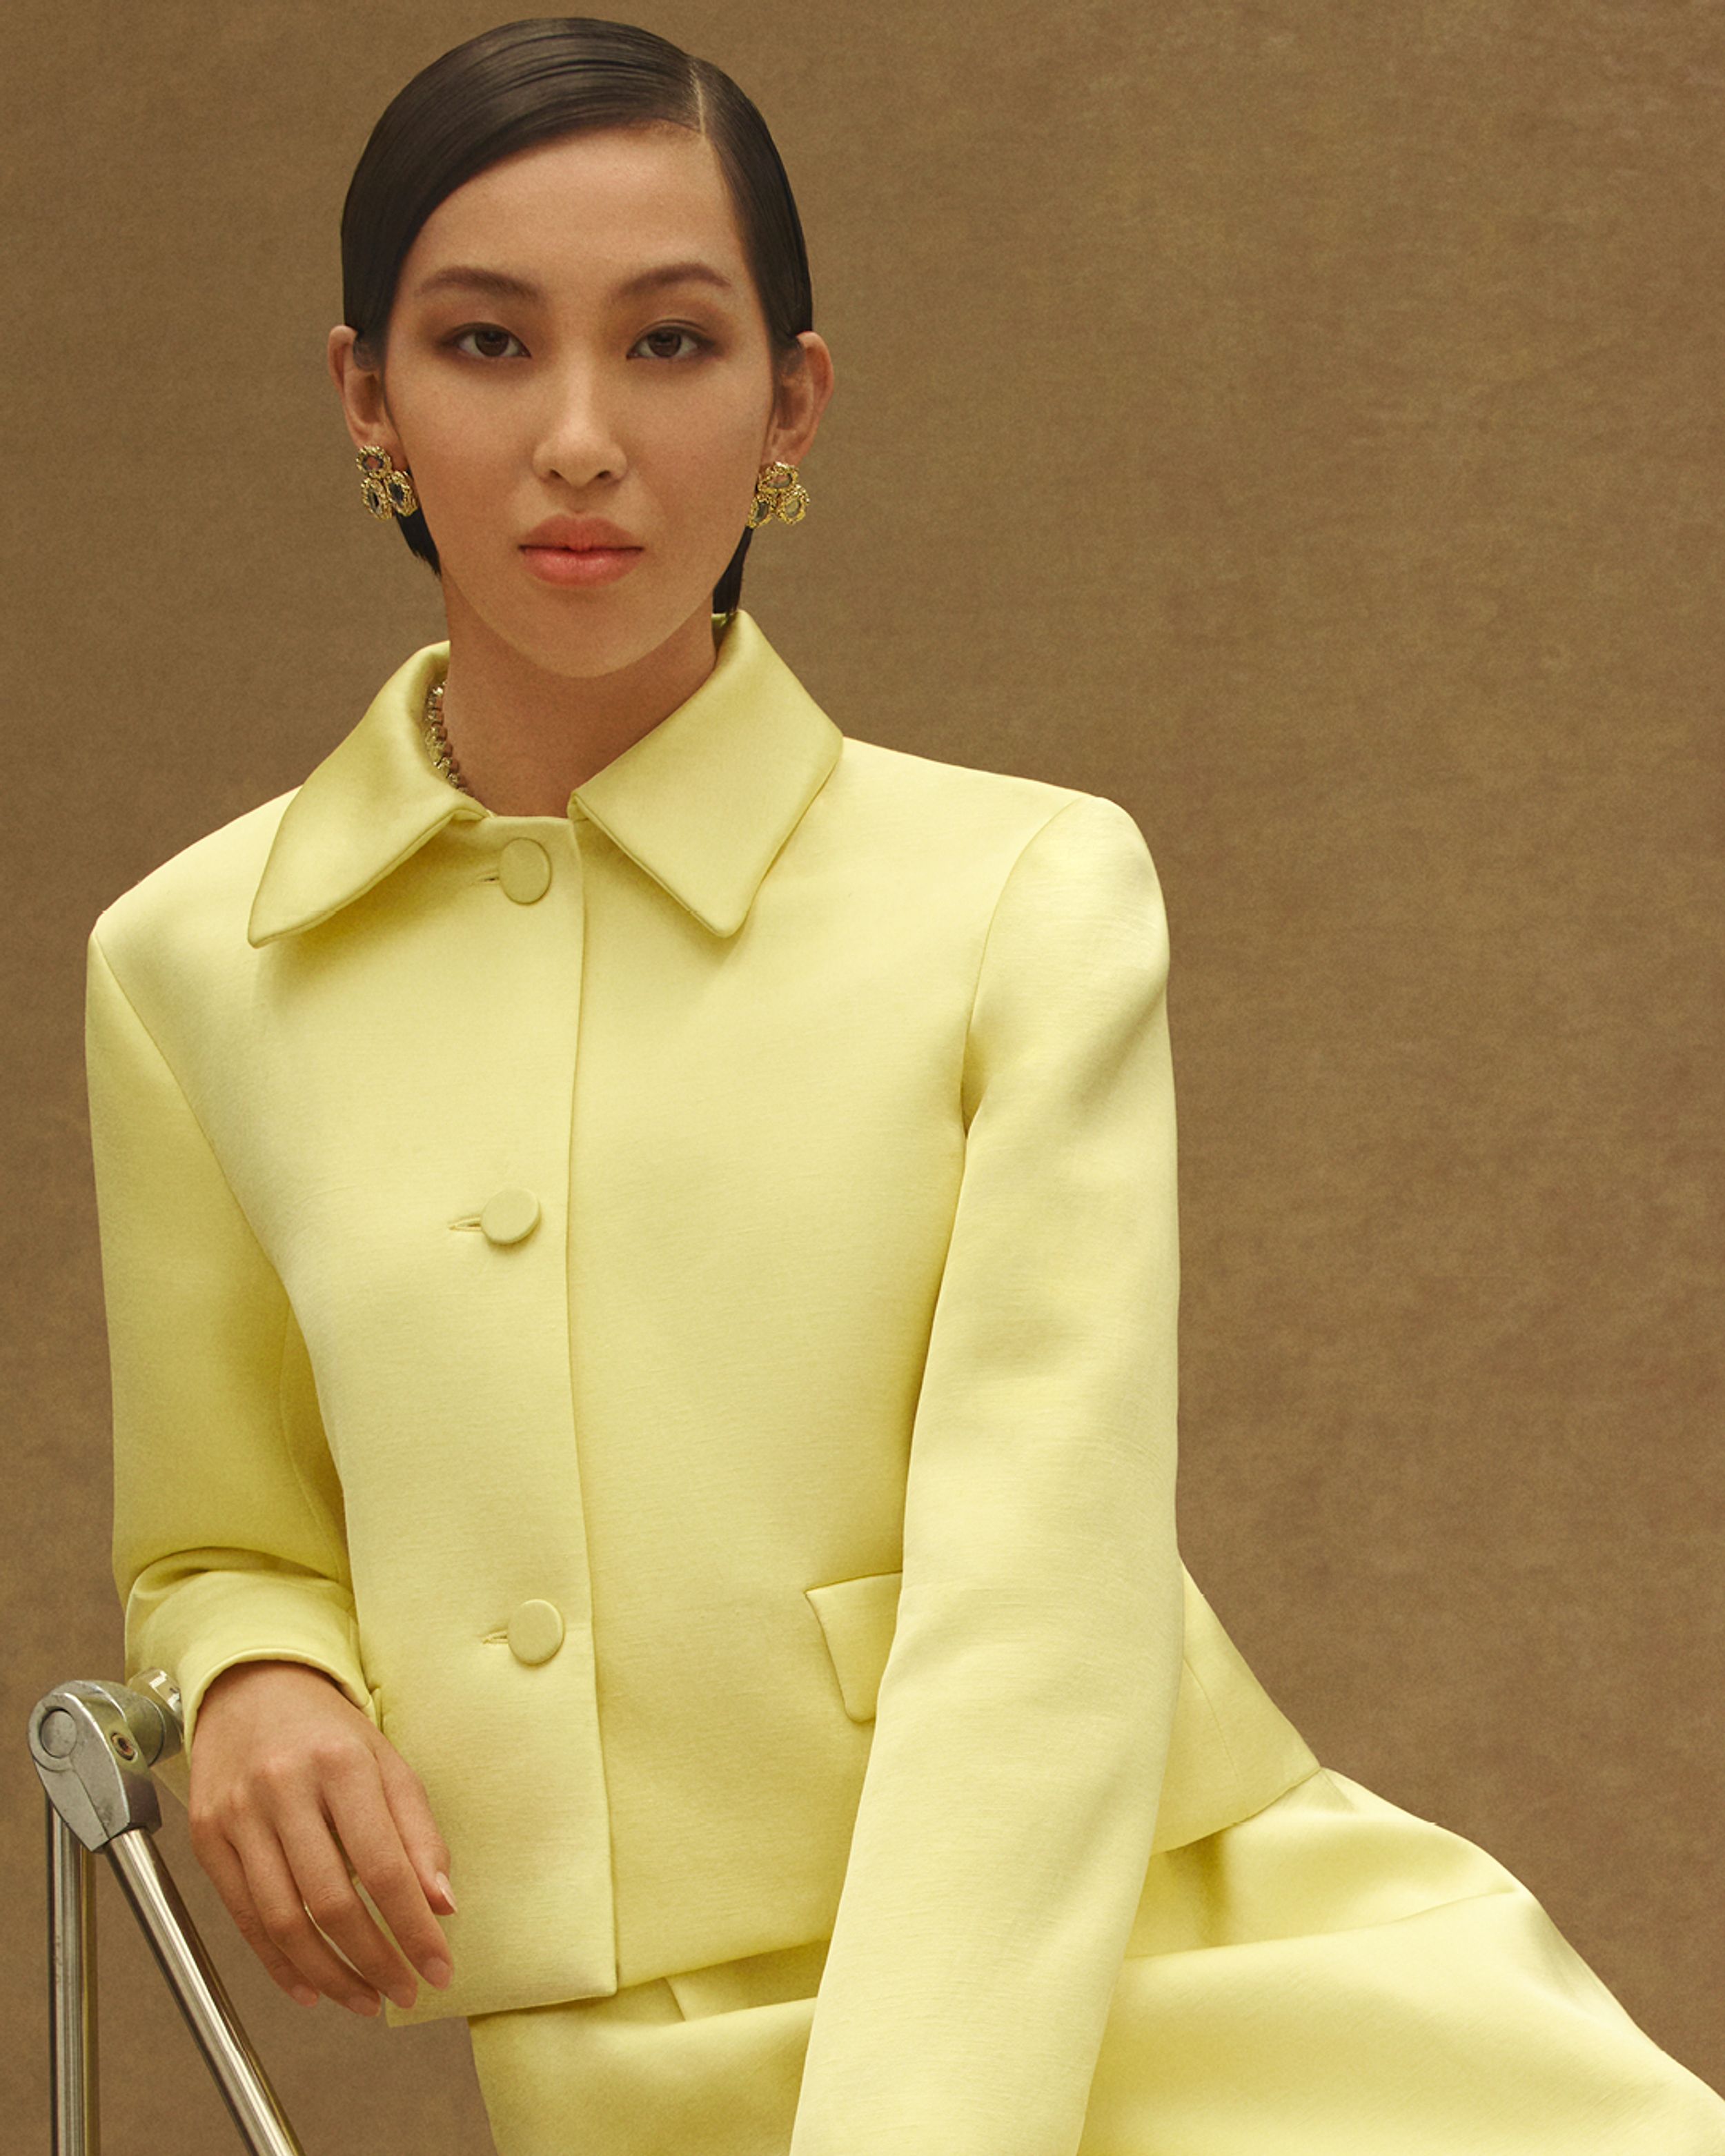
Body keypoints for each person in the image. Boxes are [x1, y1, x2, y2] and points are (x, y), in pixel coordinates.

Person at [84, 17, 1725, 2156]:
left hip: (1145, 1981)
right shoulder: (192, 966)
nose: (580, 438)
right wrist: (255, 1676)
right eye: (487, 343)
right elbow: (215, 1536)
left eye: (669, 346)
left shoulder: (1023, 896)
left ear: (792, 403)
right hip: (623, 2065)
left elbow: (1035, 1612)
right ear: (364, 398)